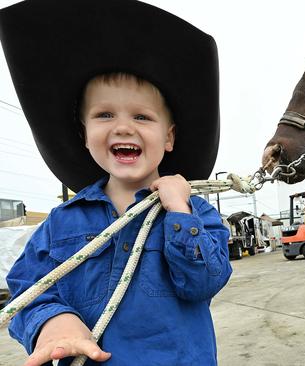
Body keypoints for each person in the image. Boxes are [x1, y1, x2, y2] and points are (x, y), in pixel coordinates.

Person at [0, 1, 231, 365]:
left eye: (142, 116)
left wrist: (179, 211)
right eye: (104, 114)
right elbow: (25, 291)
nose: (123, 127)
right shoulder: (61, 223)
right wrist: (53, 322)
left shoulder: (198, 214)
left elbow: (204, 283)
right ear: (85, 134)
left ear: (168, 138)